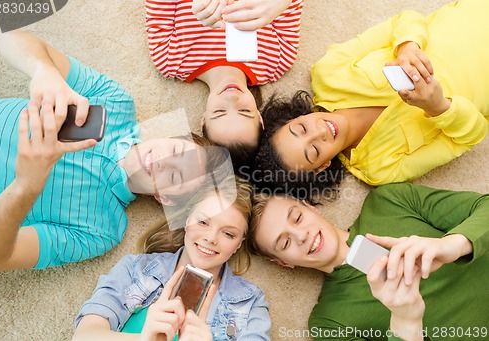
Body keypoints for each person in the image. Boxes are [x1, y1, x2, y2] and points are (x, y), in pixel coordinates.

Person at [0, 30, 227, 271]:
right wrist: (44, 71)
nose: (163, 161)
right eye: (175, 150)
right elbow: (7, 38)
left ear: (163, 198)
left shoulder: (102, 229)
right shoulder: (115, 102)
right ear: (168, 137)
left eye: (174, 175)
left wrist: (25, 185)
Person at [254, 0, 489, 198]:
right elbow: (471, 136)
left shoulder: (329, 73)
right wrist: (437, 106)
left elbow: (405, 19)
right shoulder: (381, 169)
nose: (319, 132)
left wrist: (407, 47)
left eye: (302, 128)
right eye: (314, 150)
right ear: (322, 166)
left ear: (296, 117)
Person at [247, 182, 489, 340]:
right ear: (283, 263)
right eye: (285, 243)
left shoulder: (386, 201)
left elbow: (484, 206)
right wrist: (406, 320)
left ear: (311, 207)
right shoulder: (329, 324)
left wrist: (452, 245)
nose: (301, 235)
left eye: (297, 218)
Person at [73, 176, 270, 340]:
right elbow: (84, 335)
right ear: (186, 220)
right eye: (202, 222)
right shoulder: (136, 269)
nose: (211, 238)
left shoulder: (250, 302)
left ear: (239, 244)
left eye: (228, 234)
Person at [145, 0, 303, 167]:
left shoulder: (170, 60)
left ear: (204, 119)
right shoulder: (277, 61)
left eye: (220, 111)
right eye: (244, 110)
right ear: (259, 117)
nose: (231, 97)